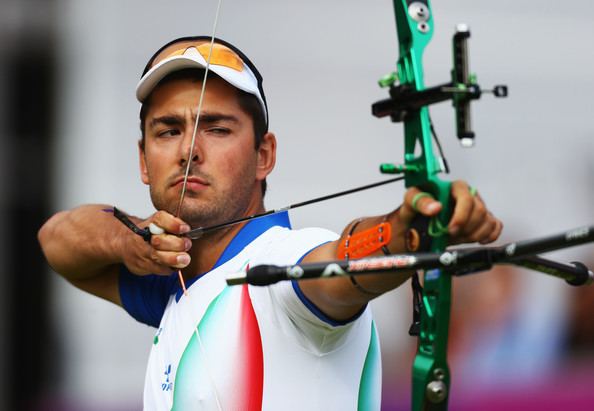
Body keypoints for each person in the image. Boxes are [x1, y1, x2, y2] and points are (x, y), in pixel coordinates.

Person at [38, 36, 502, 410]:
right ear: (143, 160)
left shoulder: (283, 266)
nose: (188, 150)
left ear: (264, 156)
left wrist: (413, 227)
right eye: (168, 130)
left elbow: (346, 259)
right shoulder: (172, 282)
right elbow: (55, 238)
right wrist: (129, 241)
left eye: (217, 128)